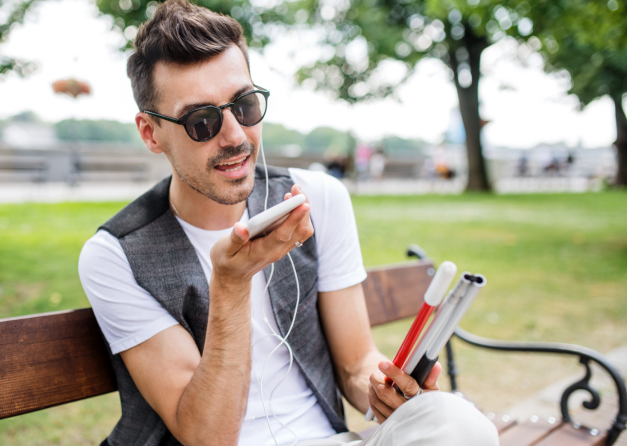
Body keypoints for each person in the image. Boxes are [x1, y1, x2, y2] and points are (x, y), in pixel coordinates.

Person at [78, 1, 499, 445]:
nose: (236, 136)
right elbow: (207, 436)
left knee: (458, 422)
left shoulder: (316, 197)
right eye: (201, 121)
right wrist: (231, 285)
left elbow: (356, 365)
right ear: (150, 133)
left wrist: (383, 394)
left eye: (244, 104)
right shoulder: (116, 254)